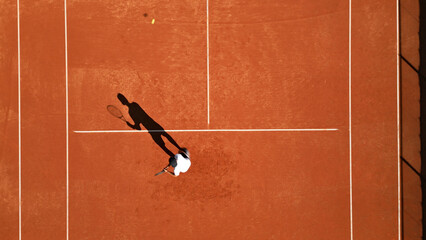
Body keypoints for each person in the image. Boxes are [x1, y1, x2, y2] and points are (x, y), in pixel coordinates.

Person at [117, 93, 184, 157]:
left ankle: (176, 160)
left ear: (122, 103)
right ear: (125, 99)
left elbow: (139, 128)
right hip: (154, 124)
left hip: (151, 130)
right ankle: (180, 148)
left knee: (163, 147)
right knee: (166, 135)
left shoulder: (131, 112)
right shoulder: (135, 104)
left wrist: (131, 125)